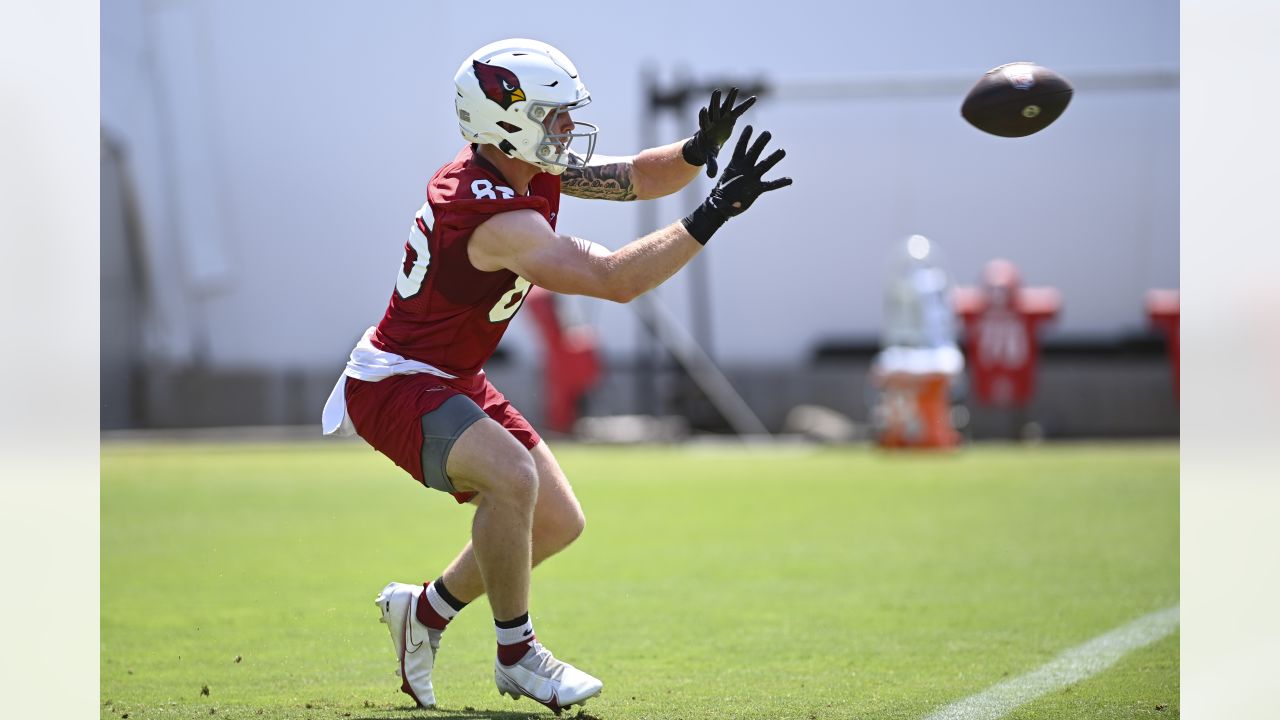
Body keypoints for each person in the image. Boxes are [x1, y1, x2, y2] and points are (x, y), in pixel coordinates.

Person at [321, 38, 791, 714]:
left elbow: (630, 177)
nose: (566, 129)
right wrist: (713, 211)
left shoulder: (521, 166)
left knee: (557, 522)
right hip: (396, 380)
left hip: (451, 374)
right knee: (513, 480)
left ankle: (425, 612)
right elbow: (614, 279)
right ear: (504, 122)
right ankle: (518, 655)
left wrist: (694, 151)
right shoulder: (492, 212)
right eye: (554, 115)